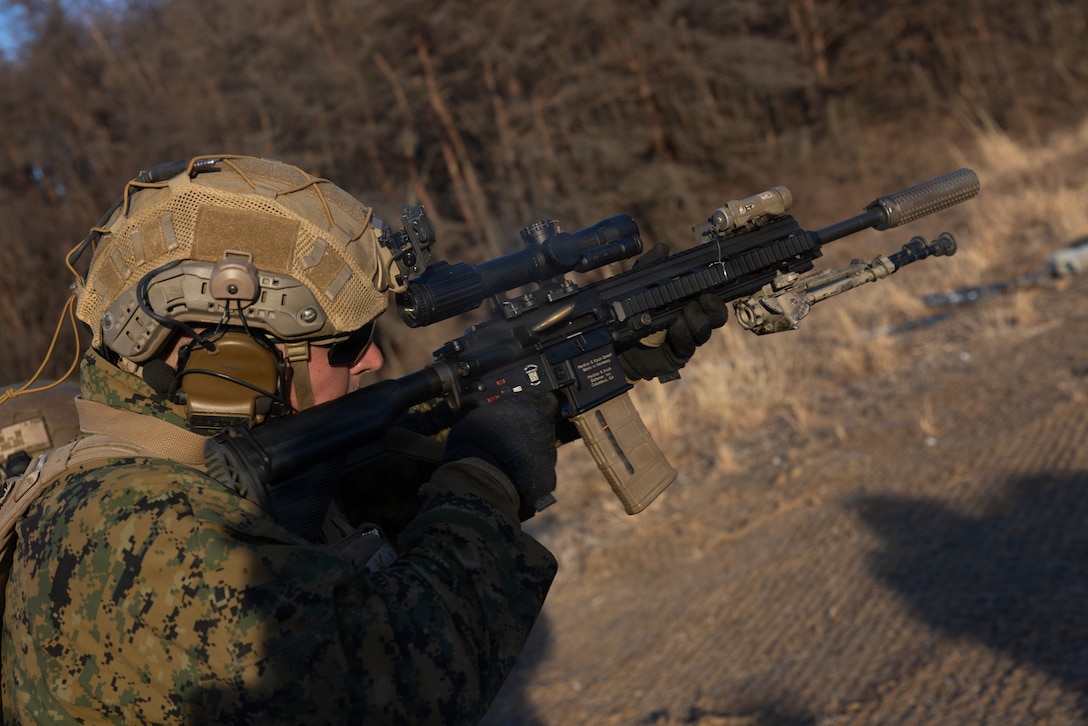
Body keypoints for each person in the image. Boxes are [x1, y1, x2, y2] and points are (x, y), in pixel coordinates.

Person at [0, 155, 724, 724]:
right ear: (229, 357)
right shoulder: (135, 533)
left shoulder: (196, 455)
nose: (373, 358)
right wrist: (486, 477)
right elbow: (399, 684)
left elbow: (369, 465)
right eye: (346, 344)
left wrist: (577, 374)